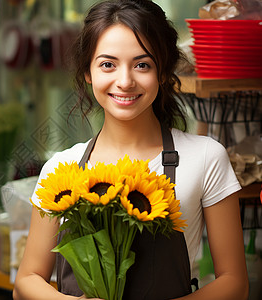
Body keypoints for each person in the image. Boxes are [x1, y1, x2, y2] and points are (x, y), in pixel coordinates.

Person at [13, 0, 249, 299]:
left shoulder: (205, 157)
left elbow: (235, 283)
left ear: (162, 72)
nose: (124, 81)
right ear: (88, 72)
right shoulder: (62, 168)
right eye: (108, 64)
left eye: (142, 65)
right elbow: (26, 280)